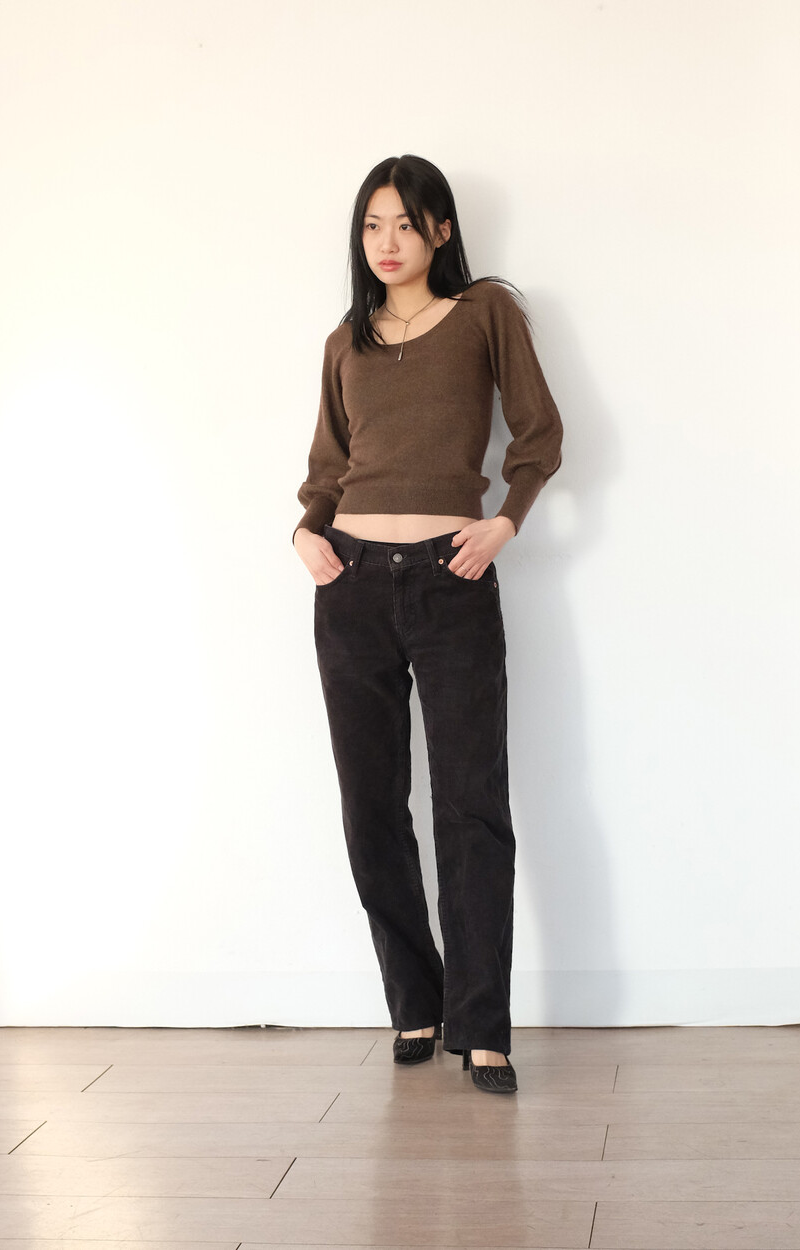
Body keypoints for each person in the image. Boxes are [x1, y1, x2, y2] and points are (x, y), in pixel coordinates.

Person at [293, 154, 562, 1094]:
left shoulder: (487, 312)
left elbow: (539, 434)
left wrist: (505, 522)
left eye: (406, 223)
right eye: (373, 225)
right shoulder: (346, 340)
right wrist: (306, 531)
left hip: (454, 578)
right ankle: (416, 999)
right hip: (351, 583)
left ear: (442, 229)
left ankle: (482, 1025)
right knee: (371, 805)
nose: (388, 242)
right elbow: (328, 466)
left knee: (470, 803)